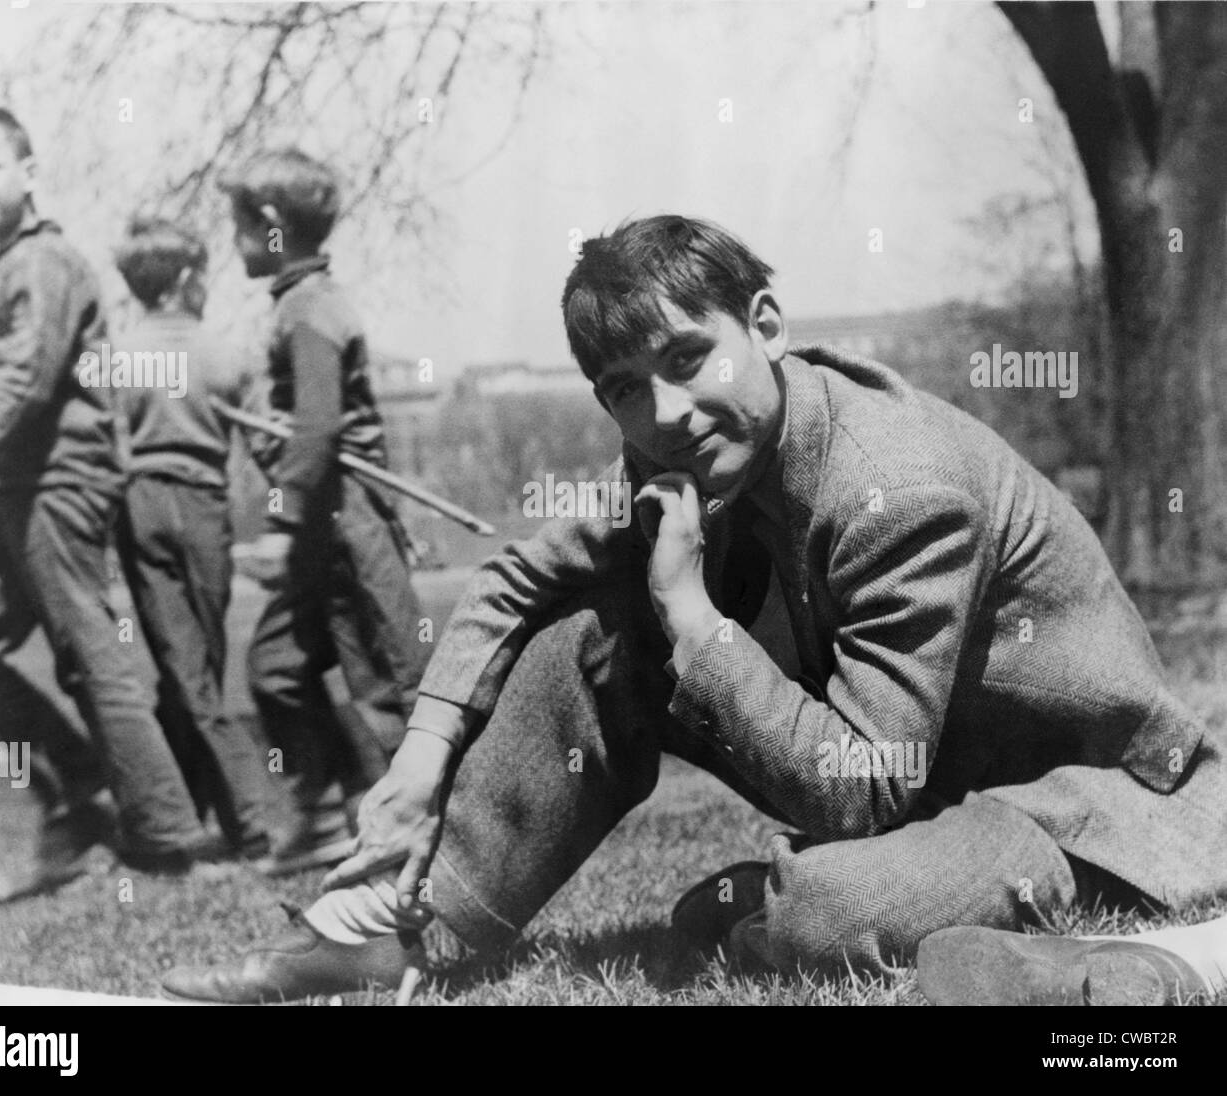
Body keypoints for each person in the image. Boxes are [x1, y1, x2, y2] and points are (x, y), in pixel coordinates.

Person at [163, 214, 1227, 1004]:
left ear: (764, 325)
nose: (665, 412)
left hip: (1062, 790)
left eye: (685, 359)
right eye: (626, 386)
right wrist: (414, 766)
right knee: (592, 640)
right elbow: (511, 580)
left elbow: (861, 789)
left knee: (826, 912)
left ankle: (774, 904)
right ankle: (401, 927)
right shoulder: (690, 447)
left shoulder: (898, 480)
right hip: (914, 773)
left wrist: (688, 606)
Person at [0, 107, 208, 903]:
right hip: (16, 491)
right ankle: (80, 786)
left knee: (91, 654)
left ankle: (165, 836)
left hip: (62, 485)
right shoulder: (8, 263)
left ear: (28, 169)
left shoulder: (49, 262)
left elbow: (29, 377)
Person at [215, 149, 429, 877]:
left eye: (238, 227)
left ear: (271, 225)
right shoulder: (294, 302)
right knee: (276, 667)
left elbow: (317, 425)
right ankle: (325, 816)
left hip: (345, 518)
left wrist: (280, 524)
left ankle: (432, 833)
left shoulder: (311, 307)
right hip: (318, 522)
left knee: (387, 682)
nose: (233, 242)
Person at [111, 217, 272, 861]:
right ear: (184, 280)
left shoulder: (117, 354)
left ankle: (181, 811)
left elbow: (105, 442)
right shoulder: (224, 351)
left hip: (140, 508)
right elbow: (266, 439)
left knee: (186, 670)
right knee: (197, 667)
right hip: (205, 509)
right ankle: (250, 819)